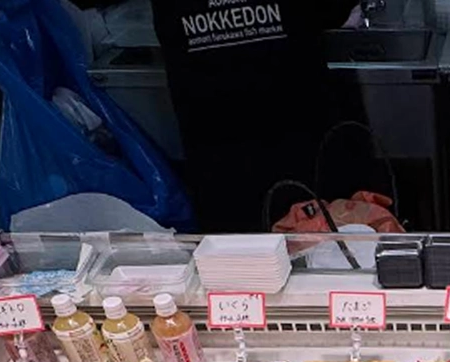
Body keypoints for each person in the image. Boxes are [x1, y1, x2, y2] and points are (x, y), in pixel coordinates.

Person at [151, 0, 364, 231]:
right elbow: (333, 12)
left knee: (239, 246)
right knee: (312, 242)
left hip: (218, 148)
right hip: (292, 133)